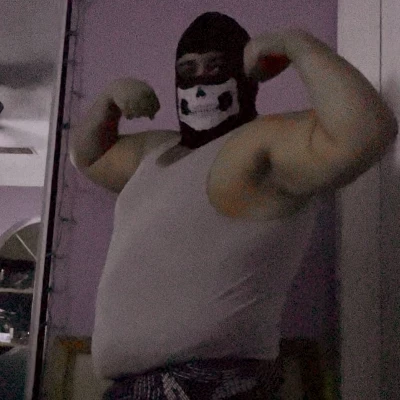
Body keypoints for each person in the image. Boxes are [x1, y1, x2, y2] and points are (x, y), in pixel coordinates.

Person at [70, 12, 397, 399]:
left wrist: (297, 45)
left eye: (215, 66)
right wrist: (108, 101)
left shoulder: (260, 142)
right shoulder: (154, 150)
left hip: (212, 382)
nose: (200, 81)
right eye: (188, 69)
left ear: (243, 73)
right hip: (133, 386)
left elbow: (365, 132)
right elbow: (87, 158)